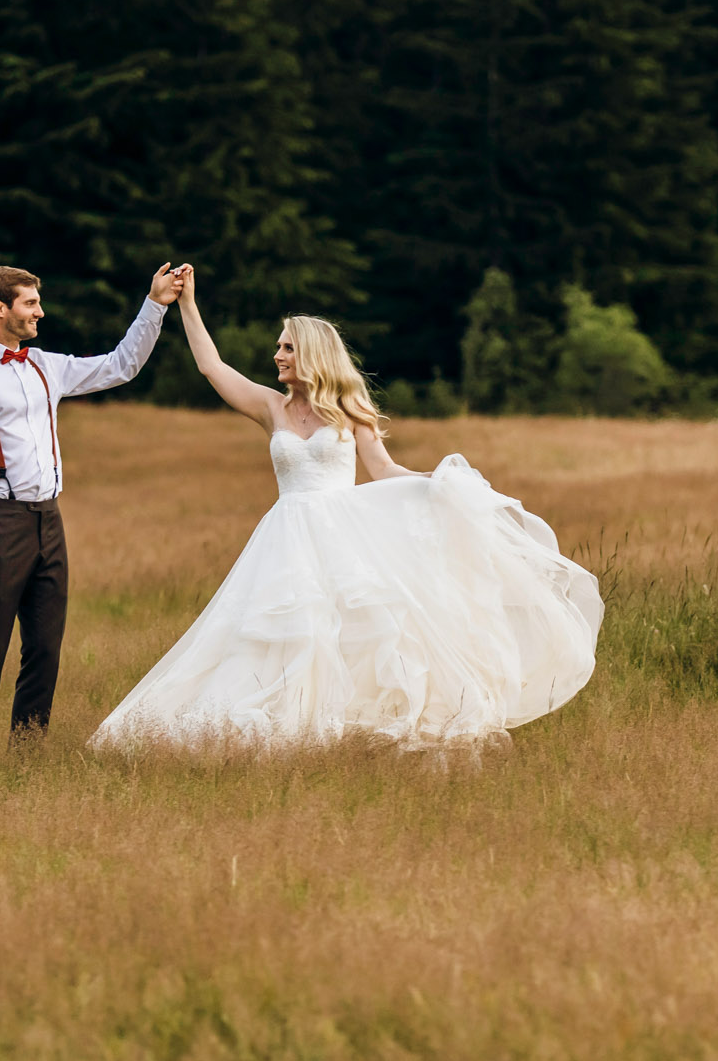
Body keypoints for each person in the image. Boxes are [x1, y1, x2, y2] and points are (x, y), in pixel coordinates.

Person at [90, 266, 603, 754]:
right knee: (283, 633)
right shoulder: (272, 408)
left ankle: (342, 729)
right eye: (278, 347)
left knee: (354, 633)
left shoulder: (350, 407)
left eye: (287, 347)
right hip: (287, 536)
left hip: (343, 535)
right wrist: (188, 304)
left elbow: (382, 469)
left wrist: (437, 482)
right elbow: (211, 366)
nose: (278, 355)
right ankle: (285, 730)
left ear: (311, 352)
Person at [0, 262, 185, 748]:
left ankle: (27, 756)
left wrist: (155, 304)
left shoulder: (46, 365)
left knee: (45, 648)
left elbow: (121, 365)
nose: (40, 313)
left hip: (50, 519)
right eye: (30, 303)